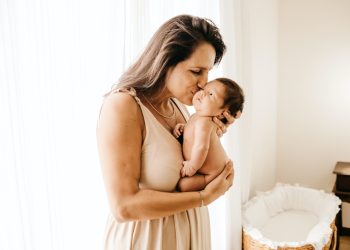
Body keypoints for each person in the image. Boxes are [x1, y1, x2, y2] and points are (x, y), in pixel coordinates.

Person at [97, 14, 235, 250]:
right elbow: (124, 206)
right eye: (196, 71)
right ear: (165, 61)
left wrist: (212, 134)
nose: (204, 83)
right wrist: (204, 198)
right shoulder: (123, 106)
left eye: (207, 73)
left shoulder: (178, 106)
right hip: (147, 241)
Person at [174, 78, 244, 192]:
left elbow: (201, 147)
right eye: (204, 89)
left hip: (214, 173)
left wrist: (192, 166)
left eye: (210, 94)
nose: (202, 94)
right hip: (206, 167)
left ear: (222, 114)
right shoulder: (197, 117)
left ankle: (206, 180)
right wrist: (183, 128)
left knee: (183, 186)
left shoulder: (205, 123)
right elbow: (192, 132)